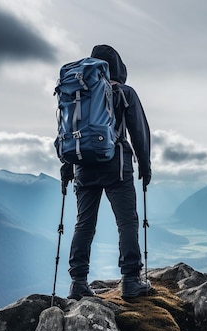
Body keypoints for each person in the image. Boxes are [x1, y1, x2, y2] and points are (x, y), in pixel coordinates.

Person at [60, 44, 153, 300]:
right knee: (127, 222)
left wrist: (67, 169)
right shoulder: (124, 92)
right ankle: (131, 281)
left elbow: (69, 133)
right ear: (119, 67)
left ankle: (78, 282)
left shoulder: (79, 93)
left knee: (84, 224)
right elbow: (139, 132)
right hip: (116, 166)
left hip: (83, 167)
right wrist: (145, 166)